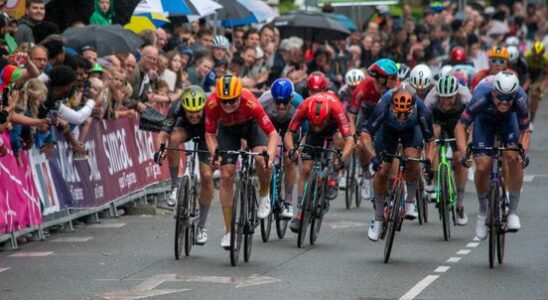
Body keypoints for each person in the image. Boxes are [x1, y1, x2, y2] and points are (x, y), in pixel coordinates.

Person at [204, 75, 278, 249]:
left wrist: (270, 158)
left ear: (239, 96)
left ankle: (264, 194)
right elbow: (209, 134)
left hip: (252, 127)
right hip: (228, 131)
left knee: (261, 160)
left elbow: (273, 134)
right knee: (226, 174)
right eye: (224, 101)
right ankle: (229, 231)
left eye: (232, 101)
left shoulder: (250, 102)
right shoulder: (213, 104)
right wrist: (215, 154)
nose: (228, 105)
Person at [455, 72, 530, 238]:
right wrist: (463, 153)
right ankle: (483, 212)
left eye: (508, 98)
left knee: (514, 157)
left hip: (509, 122)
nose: (504, 102)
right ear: (494, 93)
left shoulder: (521, 98)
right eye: (500, 98)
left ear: (514, 95)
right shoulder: (481, 95)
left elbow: (525, 130)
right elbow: (460, 126)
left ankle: (512, 212)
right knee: (482, 166)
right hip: (484, 123)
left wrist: (522, 151)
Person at [361, 84, 435, 241]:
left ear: (413, 108)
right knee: (382, 171)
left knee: (412, 158)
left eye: (405, 114)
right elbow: (366, 134)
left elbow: (430, 141)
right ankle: (378, 218)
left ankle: (410, 202)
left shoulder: (422, 110)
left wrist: (428, 161)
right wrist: (374, 157)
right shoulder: (383, 105)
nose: (401, 117)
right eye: (398, 113)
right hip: (387, 131)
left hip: (411, 131)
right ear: (392, 106)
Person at [284, 91, 353, 232]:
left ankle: (333, 177)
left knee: (339, 139)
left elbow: (350, 140)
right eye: (313, 123)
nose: (316, 127)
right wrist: (291, 150)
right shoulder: (304, 106)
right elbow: (289, 133)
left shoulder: (336, 109)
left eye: (319, 124)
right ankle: (300, 213)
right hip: (313, 136)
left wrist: (342, 158)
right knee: (305, 169)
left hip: (333, 130)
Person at [154, 86, 213, 245]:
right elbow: (163, 133)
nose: (194, 116)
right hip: (185, 129)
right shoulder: (177, 106)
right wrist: (160, 151)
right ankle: (175, 186)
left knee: (207, 177)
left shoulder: (211, 106)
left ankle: (201, 226)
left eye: (197, 112)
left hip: (207, 134)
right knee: (172, 139)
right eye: (190, 112)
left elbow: (217, 135)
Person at [424, 75, 472, 225]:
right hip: (437, 120)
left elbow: (475, 120)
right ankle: (435, 179)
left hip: (457, 121)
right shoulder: (431, 97)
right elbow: (422, 118)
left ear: (456, 94)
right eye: (442, 98)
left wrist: (469, 140)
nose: (445, 101)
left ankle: (460, 204)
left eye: (449, 98)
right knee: (434, 138)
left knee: (459, 159)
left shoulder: (466, 96)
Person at [349, 59, 399, 198]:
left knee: (393, 147)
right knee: (360, 144)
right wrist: (353, 133)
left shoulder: (397, 88)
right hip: (368, 112)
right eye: (392, 78)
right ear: (381, 79)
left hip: (388, 114)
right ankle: (365, 174)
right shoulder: (364, 86)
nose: (395, 80)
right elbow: (352, 114)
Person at [258, 78, 305, 219]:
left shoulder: (299, 103)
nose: (282, 106)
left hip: (290, 127)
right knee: (264, 156)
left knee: (289, 159)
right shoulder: (263, 101)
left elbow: (306, 131)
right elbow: (254, 126)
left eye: (285, 102)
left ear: (291, 98)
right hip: (269, 124)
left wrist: (298, 149)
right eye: (278, 103)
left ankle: (288, 202)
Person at [523, 41, 547, 132]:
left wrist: (541, 88)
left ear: (542, 53)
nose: (536, 57)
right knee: (523, 94)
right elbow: (523, 71)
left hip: (538, 77)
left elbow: (546, 76)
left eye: (539, 55)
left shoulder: (546, 60)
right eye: (535, 54)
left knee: (535, 95)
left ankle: (531, 121)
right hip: (527, 75)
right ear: (532, 52)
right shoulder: (526, 56)